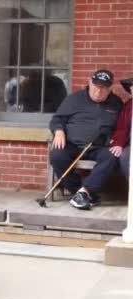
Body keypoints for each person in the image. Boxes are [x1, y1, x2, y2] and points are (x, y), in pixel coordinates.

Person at [49, 69, 123, 210]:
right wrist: (58, 131)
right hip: (72, 144)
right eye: (96, 87)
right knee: (57, 155)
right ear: (89, 82)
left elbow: (122, 126)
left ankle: (84, 192)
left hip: (99, 147)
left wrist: (116, 139)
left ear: (110, 89)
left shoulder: (116, 103)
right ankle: (81, 192)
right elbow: (57, 118)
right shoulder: (74, 99)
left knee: (112, 157)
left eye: (103, 88)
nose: (98, 92)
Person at [109, 78, 133, 180]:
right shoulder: (128, 106)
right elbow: (121, 128)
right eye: (131, 89)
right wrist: (119, 143)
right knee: (125, 157)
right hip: (131, 145)